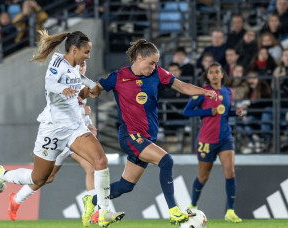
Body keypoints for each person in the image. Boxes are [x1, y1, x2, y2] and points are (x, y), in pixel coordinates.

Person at [0, 30, 125, 227]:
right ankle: (2, 174)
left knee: (100, 160)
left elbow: (84, 84)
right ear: (73, 49)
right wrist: (62, 89)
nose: (88, 56)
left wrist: (95, 89)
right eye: (86, 52)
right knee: (39, 178)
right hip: (53, 128)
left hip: (74, 128)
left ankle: (103, 212)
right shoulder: (58, 62)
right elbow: (49, 82)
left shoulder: (75, 68)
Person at [82, 39, 217, 225]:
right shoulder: (118, 76)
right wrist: (89, 90)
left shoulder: (158, 74)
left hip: (146, 138)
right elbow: (96, 90)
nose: (154, 66)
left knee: (125, 186)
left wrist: (204, 92)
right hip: (130, 136)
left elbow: (182, 86)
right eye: (151, 62)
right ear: (139, 58)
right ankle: (174, 210)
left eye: (156, 63)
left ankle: (92, 200)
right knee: (166, 161)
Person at [182, 62, 243, 223]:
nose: (215, 75)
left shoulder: (228, 92)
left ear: (222, 74)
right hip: (206, 140)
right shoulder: (202, 93)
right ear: (208, 75)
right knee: (203, 177)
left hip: (225, 138)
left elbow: (225, 112)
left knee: (230, 173)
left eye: (218, 71)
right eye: (212, 72)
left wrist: (235, 113)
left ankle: (230, 211)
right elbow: (187, 111)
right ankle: (192, 206)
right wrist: (209, 111)